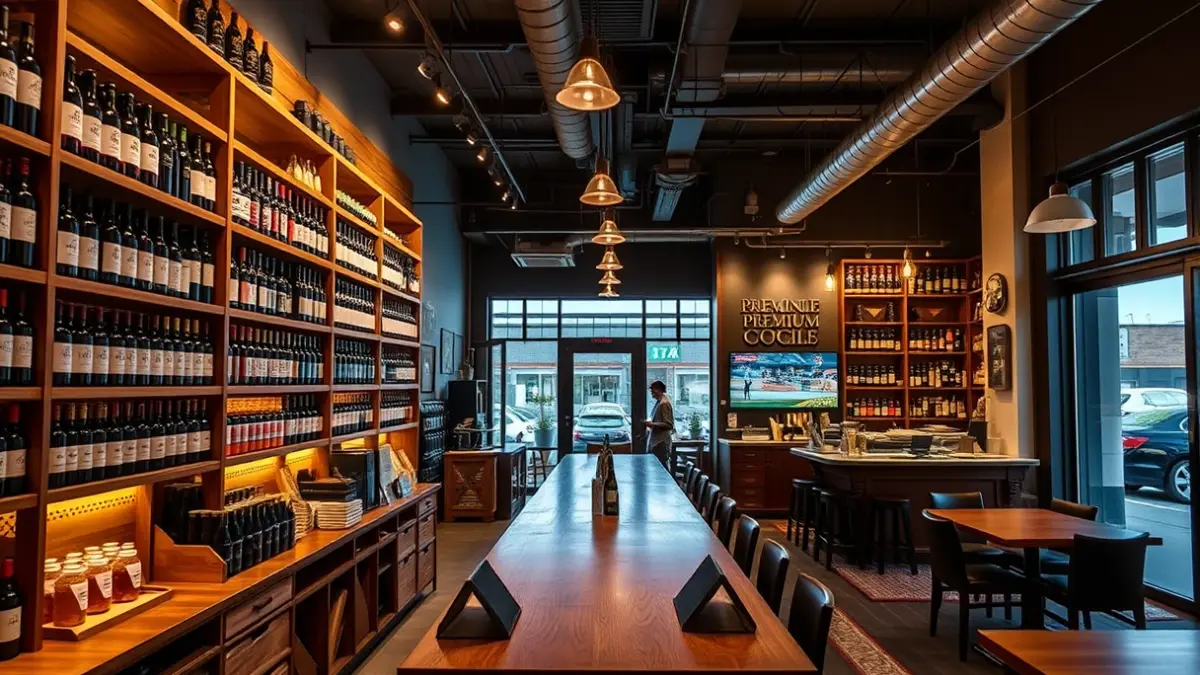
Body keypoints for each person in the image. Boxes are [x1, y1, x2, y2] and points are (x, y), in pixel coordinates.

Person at [644, 380, 674, 468]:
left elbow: (669, 425)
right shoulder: (660, 402)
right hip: (657, 443)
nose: (651, 392)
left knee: (661, 469)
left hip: (660, 443)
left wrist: (652, 424)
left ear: (658, 389)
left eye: (652, 390)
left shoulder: (664, 404)